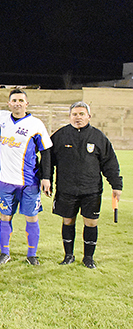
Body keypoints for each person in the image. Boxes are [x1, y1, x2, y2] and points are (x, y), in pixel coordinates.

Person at [46, 101, 122, 269]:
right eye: (75, 114)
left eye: (81, 114)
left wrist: (116, 185)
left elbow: (110, 163)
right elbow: (48, 161)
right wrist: (47, 179)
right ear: (70, 116)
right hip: (66, 189)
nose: (78, 117)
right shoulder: (60, 136)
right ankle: (68, 255)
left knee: (91, 222)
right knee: (68, 221)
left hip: (91, 190)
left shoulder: (98, 137)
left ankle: (88, 258)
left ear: (89, 116)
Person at [0, 89, 52, 265]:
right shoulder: (2, 118)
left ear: (26, 103)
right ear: (9, 103)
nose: (17, 103)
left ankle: (32, 254)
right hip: (5, 181)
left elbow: (46, 152)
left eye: (21, 100)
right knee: (5, 217)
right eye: (14, 100)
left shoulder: (36, 124)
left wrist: (46, 177)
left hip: (29, 182)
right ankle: (4, 253)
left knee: (32, 218)